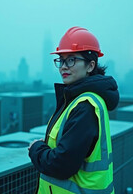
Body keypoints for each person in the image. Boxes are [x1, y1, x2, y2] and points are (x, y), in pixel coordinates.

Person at [28, 26, 119, 194]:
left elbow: (61, 165)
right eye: (61, 60)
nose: (63, 66)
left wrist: (36, 148)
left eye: (71, 60)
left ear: (90, 65)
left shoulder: (86, 106)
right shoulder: (75, 99)